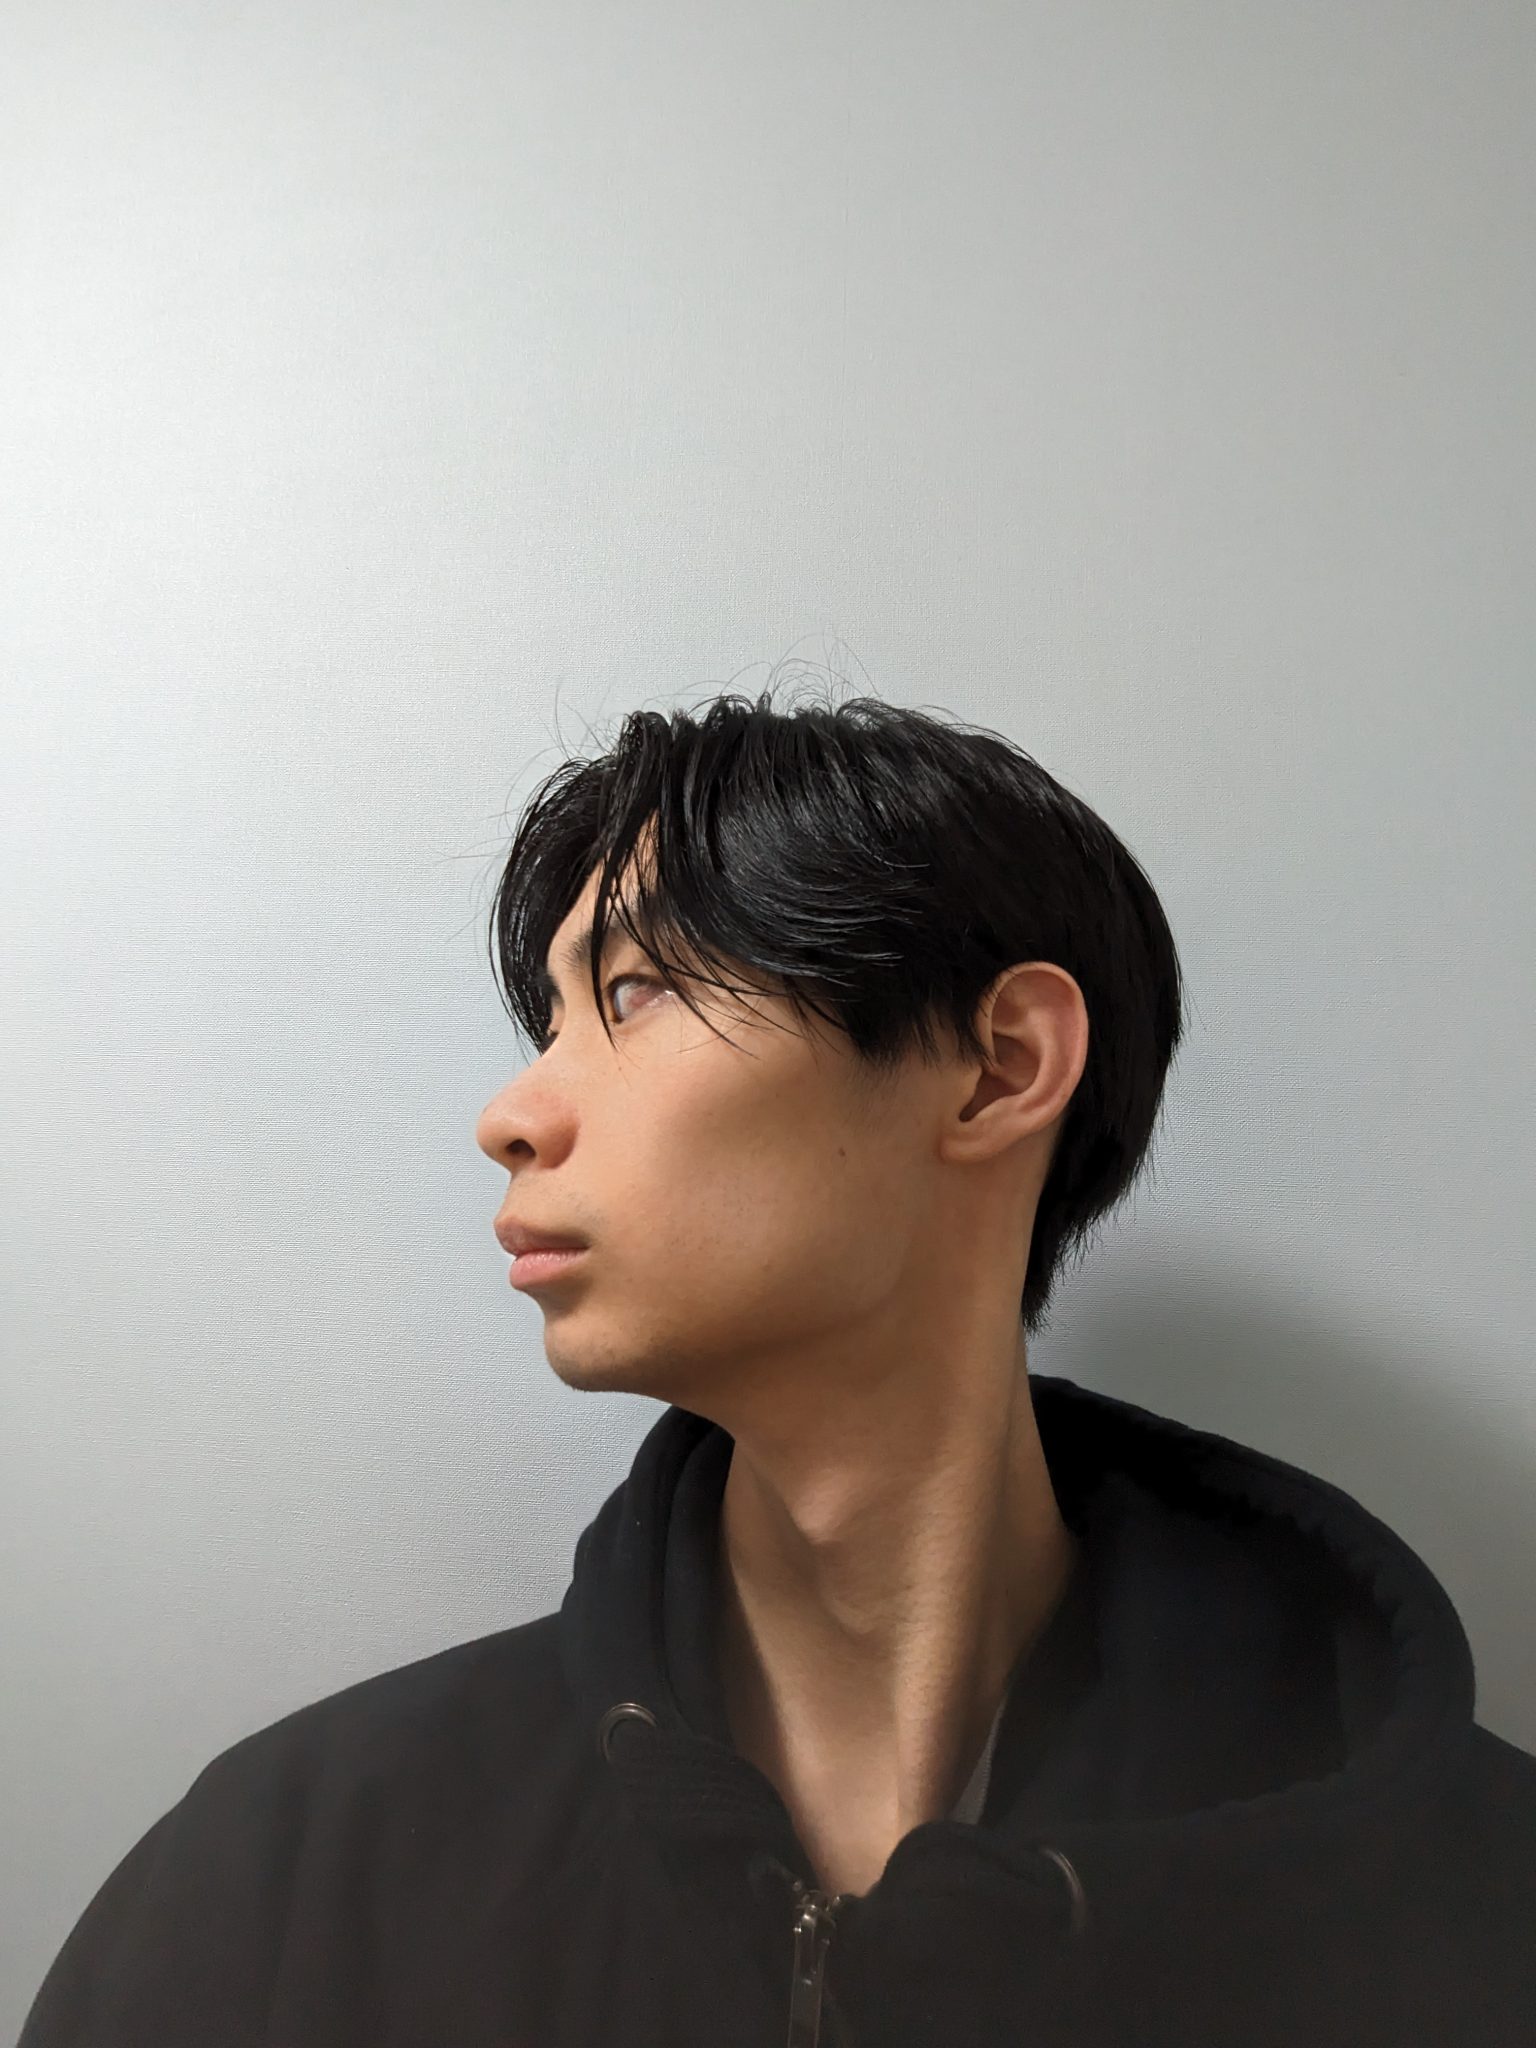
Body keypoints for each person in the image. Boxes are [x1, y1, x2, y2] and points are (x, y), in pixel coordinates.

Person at [18, 686, 1536, 2046]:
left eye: (632, 994)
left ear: (1000, 1066)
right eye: (551, 1017)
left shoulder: (1473, 1907)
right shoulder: (295, 1878)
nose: (511, 1114)